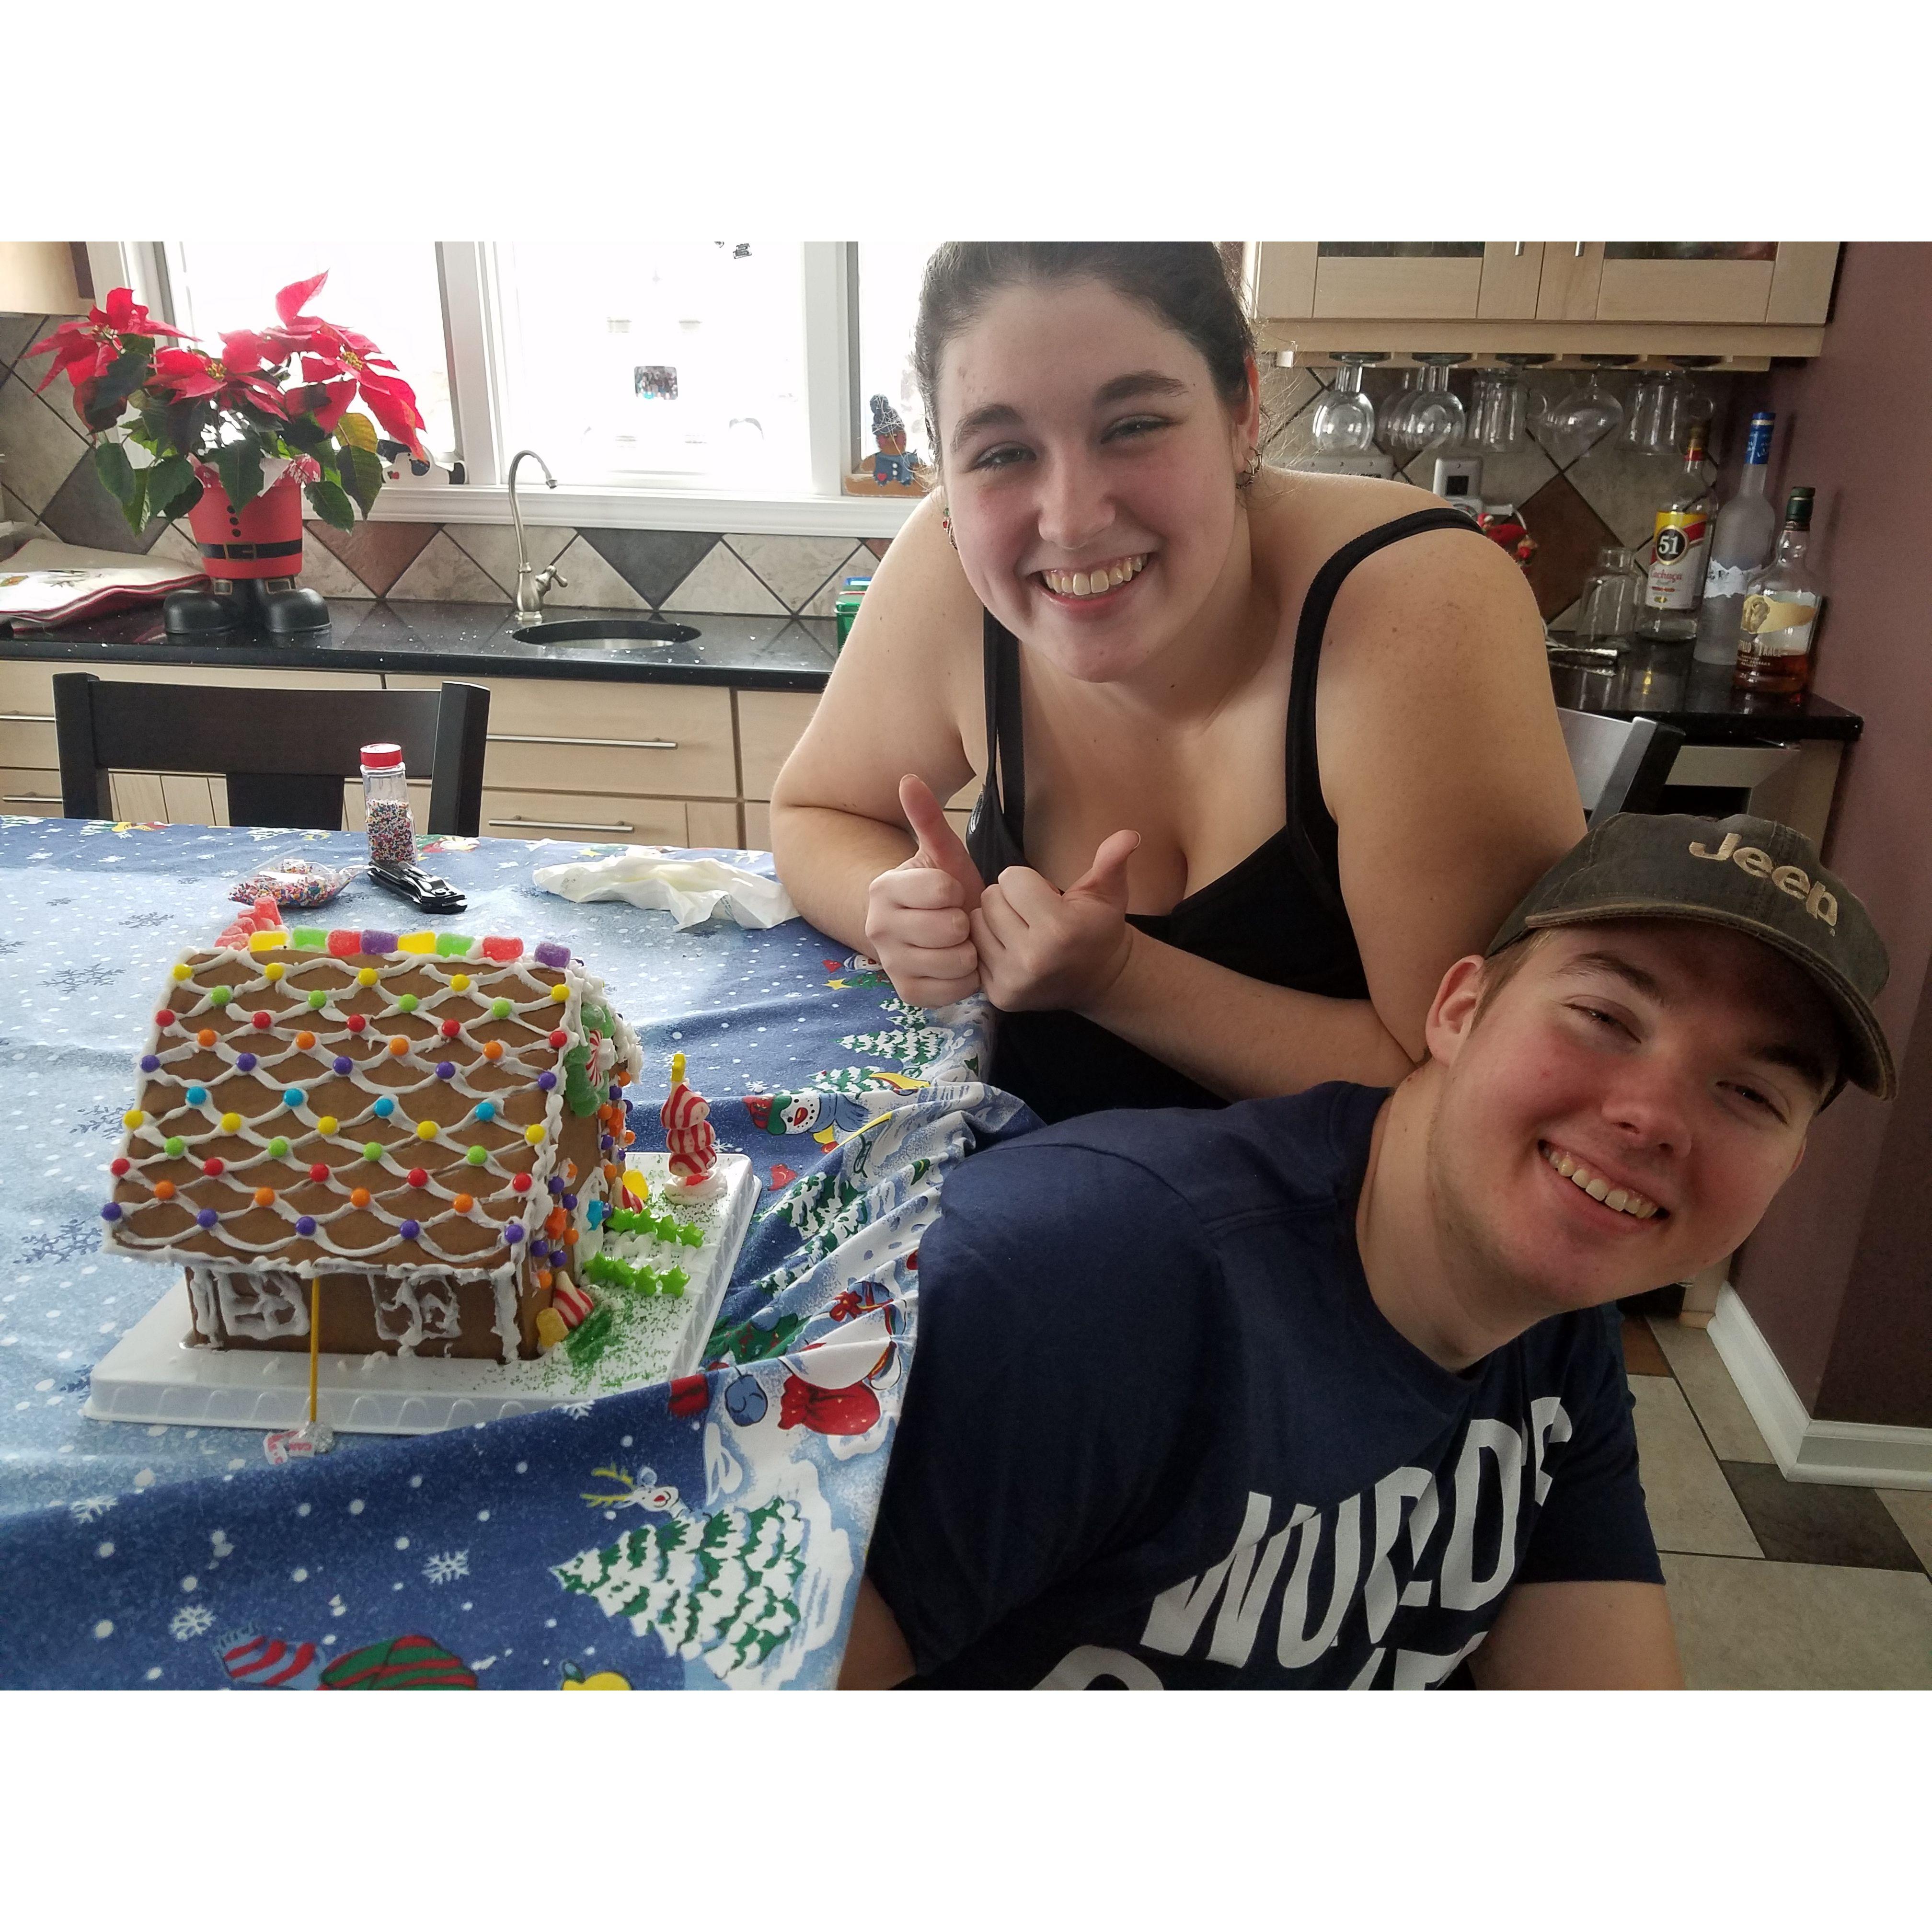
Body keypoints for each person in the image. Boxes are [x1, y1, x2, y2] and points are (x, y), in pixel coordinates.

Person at [836, 812, 1895, 1688]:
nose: (1655, 1118)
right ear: (1460, 1009)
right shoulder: (1086, 1283)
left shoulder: (1557, 1328)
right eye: (1605, 1017)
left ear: (1792, 1164)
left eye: (1751, 1093)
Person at [772, 243, 1586, 1123]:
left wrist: (1119, 976)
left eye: (1133, 426)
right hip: (1014, 1194)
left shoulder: (1419, 605)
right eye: (1002, 453)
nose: (1073, 519)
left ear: (1242, 409)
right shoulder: (947, 567)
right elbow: (814, 812)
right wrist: (896, 914)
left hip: (1336, 1228)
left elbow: (1470, 1087)